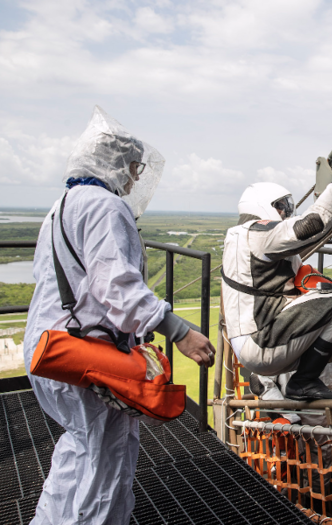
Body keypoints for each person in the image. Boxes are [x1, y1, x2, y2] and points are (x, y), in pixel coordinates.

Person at [23, 106, 215, 525]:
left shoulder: (62, 207)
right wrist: (180, 331)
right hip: (87, 356)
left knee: (80, 448)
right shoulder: (106, 208)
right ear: (113, 163)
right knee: (106, 465)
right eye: (131, 167)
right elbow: (121, 291)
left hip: (51, 349)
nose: (133, 178)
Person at [221, 176, 332, 400]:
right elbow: (314, 223)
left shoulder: (239, 236)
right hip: (261, 343)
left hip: (251, 344)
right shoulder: (259, 235)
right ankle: (303, 381)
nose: (285, 212)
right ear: (263, 206)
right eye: (281, 206)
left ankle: (293, 382)